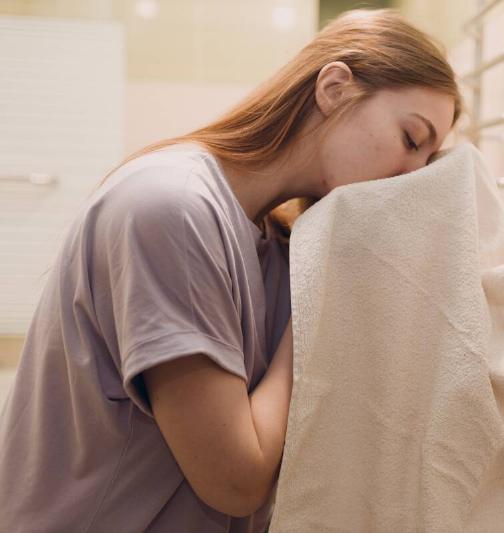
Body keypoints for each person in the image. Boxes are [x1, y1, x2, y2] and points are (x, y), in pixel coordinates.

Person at [0, 7, 463, 533]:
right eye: (410, 138)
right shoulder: (169, 209)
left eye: (427, 162)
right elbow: (234, 482)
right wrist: (321, 310)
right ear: (334, 88)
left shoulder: (281, 240)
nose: (410, 177)